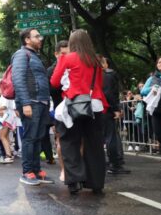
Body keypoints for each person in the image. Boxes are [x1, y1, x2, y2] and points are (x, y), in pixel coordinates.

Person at [50, 29, 107, 195]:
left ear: (72, 42)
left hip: (73, 105)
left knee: (69, 142)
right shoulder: (96, 60)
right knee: (94, 144)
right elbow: (100, 84)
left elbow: (54, 82)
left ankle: (75, 181)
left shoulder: (66, 58)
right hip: (95, 105)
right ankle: (96, 182)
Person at [11, 28, 54, 186]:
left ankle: (36, 171)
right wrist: (25, 103)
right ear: (27, 40)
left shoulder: (36, 56)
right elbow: (18, 79)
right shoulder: (22, 54)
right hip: (32, 102)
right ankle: (27, 172)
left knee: (38, 138)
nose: (40, 39)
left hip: (42, 103)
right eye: (37, 36)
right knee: (30, 138)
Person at [100, 56, 130, 174]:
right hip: (106, 110)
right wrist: (116, 109)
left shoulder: (94, 75)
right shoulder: (108, 75)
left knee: (104, 138)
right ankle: (115, 164)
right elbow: (109, 94)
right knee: (111, 137)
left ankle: (108, 163)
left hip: (97, 109)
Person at [47, 40, 69, 181]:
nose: (66, 57)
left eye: (69, 53)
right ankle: (63, 170)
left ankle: (77, 169)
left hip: (76, 109)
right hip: (60, 111)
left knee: (80, 141)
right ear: (56, 54)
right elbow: (52, 89)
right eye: (63, 54)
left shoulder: (75, 65)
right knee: (61, 142)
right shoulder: (51, 71)